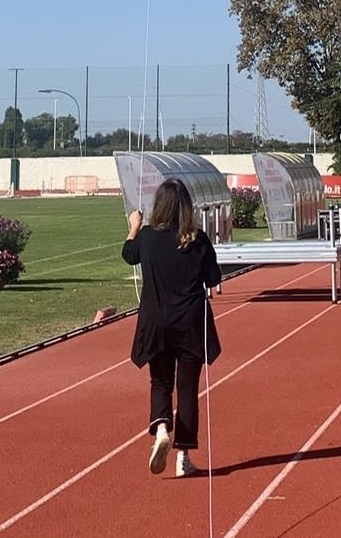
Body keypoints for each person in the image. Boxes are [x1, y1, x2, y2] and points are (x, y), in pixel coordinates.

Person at [122, 178, 222, 478]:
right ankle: (184, 456)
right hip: (190, 322)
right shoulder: (197, 238)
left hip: (156, 322)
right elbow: (214, 278)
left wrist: (135, 225)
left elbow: (129, 255)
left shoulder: (148, 237)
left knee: (160, 382)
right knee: (188, 389)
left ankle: (162, 426)